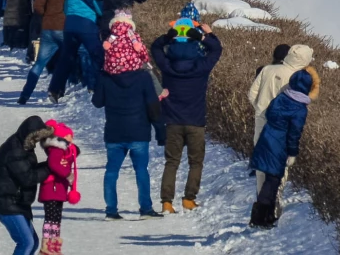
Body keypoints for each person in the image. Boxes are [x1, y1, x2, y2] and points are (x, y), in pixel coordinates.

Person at [152, 20, 222, 214]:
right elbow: (216, 50)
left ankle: (167, 202)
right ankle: (189, 199)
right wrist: (206, 36)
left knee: (172, 162)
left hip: (172, 121)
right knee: (196, 162)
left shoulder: (167, 65)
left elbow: (156, 47)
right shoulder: (201, 66)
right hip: (196, 121)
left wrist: (167, 37)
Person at [91, 50, 163, 221]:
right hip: (139, 131)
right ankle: (146, 209)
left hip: (114, 132)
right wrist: (160, 130)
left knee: (111, 171)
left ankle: (111, 210)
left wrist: (101, 78)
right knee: (141, 171)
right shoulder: (143, 77)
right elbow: (153, 105)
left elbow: (97, 102)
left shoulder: (106, 77)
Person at [249, 68, 319, 229]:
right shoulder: (300, 108)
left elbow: (269, 114)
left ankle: (265, 217)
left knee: (270, 179)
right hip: (279, 144)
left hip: (266, 137)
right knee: (273, 181)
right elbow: (294, 133)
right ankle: (260, 218)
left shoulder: (281, 97)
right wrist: (292, 153)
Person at [248, 45, 315, 198]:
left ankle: (261, 200)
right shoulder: (297, 79)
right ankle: (274, 202)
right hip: (282, 128)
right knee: (280, 166)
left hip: (261, 122)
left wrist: (260, 110)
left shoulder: (267, 69)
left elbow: (252, 94)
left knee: (261, 163)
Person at [18, 0, 78, 105]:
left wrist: (46, 15)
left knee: (39, 63)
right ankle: (57, 91)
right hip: (64, 29)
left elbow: (37, 4)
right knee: (67, 60)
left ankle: (25, 95)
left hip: (48, 28)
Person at [47, 0, 106, 103]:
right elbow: (100, 10)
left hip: (69, 26)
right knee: (98, 57)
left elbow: (66, 8)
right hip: (87, 27)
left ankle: (55, 90)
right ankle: (97, 87)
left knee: (66, 58)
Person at [0, 116, 54, 255]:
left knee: (32, 243)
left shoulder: (23, 146)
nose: (38, 141)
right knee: (26, 243)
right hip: (6, 203)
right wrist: (50, 167)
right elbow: (28, 178)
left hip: (16, 201)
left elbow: (29, 169)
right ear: (29, 135)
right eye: (36, 137)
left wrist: (50, 165)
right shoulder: (15, 151)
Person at [38, 121, 80, 255]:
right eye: (68, 136)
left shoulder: (64, 150)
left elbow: (68, 159)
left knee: (56, 218)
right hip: (52, 188)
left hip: (59, 188)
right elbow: (54, 164)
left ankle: (54, 245)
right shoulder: (56, 149)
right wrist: (67, 174)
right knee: (51, 218)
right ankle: (46, 245)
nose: (71, 138)